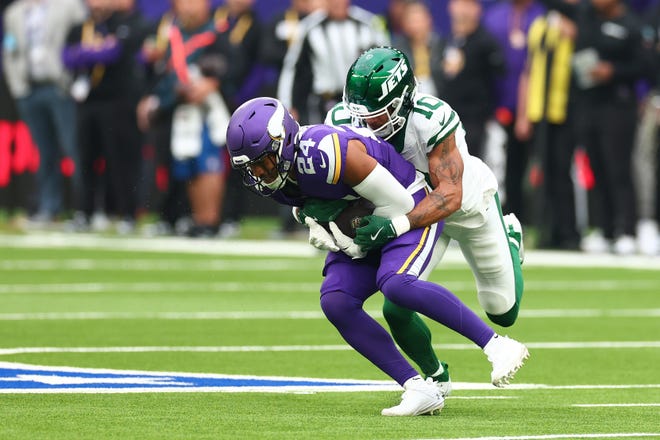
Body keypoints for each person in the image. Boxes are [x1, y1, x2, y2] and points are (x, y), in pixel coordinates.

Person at [225, 96, 530, 416]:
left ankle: (497, 345)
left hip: (409, 206)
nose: (259, 173)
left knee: (396, 284)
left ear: (284, 142)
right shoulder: (273, 176)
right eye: (251, 167)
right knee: (336, 300)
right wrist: (313, 219)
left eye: (263, 162)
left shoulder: (327, 154)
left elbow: (399, 202)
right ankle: (418, 386)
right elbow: (310, 203)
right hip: (368, 216)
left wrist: (362, 237)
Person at [324, 46, 525, 384]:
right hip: (417, 216)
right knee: (397, 304)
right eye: (359, 113)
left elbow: (449, 195)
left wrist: (394, 226)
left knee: (503, 311)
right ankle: (435, 378)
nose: (365, 123)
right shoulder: (344, 121)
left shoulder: (430, 118)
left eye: (377, 113)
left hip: (465, 210)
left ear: (403, 101)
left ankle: (510, 237)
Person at [537, 0, 646, 255]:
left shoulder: (630, 25)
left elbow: (645, 67)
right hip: (588, 106)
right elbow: (558, 6)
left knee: (618, 168)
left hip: (618, 106)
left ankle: (627, 230)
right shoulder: (585, 14)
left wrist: (614, 71)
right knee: (595, 167)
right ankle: (605, 229)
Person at [2, 0, 86, 225]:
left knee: (74, 148)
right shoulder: (14, 12)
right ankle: (50, 208)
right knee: (45, 152)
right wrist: (17, 86)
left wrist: (73, 80)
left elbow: (83, 40)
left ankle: (84, 210)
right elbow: (9, 49)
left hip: (60, 87)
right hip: (29, 88)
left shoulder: (70, 6)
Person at [277, 0, 389, 124]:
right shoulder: (309, 26)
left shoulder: (368, 24)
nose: (337, 3)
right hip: (323, 101)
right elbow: (292, 67)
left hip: (359, 100)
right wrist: (287, 104)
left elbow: (387, 61)